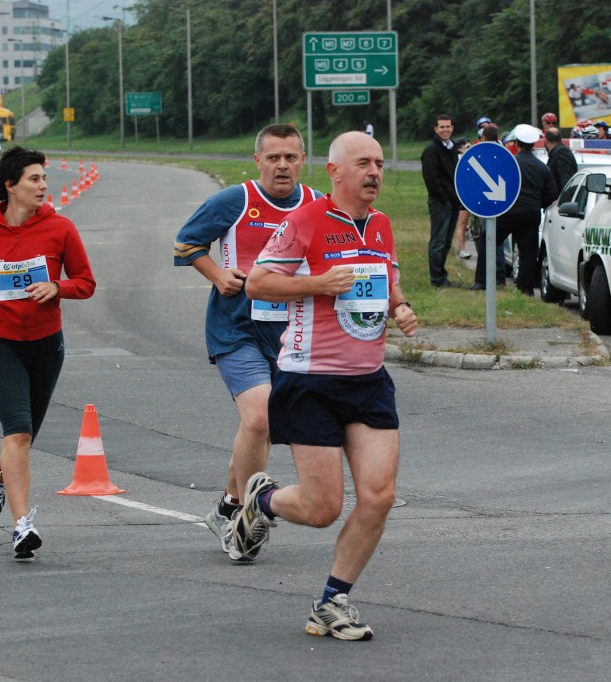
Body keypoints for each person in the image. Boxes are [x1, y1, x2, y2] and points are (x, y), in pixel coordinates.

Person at [240, 131, 418, 641]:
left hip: (368, 381)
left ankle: (332, 601)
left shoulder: (381, 225)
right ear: (335, 171)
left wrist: (399, 306)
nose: (375, 173)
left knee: (379, 496)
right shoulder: (305, 221)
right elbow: (258, 282)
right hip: (310, 378)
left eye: (380, 163)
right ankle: (263, 500)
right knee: (322, 509)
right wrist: (317, 284)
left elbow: (386, 278)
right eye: (364, 163)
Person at [0, 147, 96, 561]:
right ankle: (22, 526)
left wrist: (58, 287)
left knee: (24, 441)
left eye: (44, 178)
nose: (44, 185)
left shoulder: (60, 229)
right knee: (19, 433)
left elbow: (86, 281)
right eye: (34, 179)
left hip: (47, 344)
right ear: (10, 186)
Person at [173, 124, 320, 562]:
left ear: (302, 160)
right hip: (235, 327)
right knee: (258, 418)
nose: (282, 165)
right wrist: (218, 275)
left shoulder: (316, 205)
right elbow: (185, 243)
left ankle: (228, 505)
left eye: (290, 157)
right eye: (273, 157)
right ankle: (248, 515)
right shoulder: (236, 201)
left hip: (292, 331)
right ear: (257, 161)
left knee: (269, 426)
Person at [474, 124, 558, 296]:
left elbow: (497, 187)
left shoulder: (510, 163)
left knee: (487, 240)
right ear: (533, 144)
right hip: (531, 214)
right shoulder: (543, 167)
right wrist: (536, 204)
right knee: (528, 251)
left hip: (508, 213)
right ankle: (525, 287)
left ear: (516, 144)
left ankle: (482, 280)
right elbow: (550, 197)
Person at [420, 113, 461, 287]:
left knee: (447, 240)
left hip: (453, 201)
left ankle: (442, 276)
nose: (445, 130)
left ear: (452, 128)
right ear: (436, 129)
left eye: (448, 126)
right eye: (442, 127)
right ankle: (436, 278)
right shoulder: (431, 150)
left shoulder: (452, 148)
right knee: (438, 240)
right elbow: (431, 177)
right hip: (440, 202)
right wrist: (443, 197)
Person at [453, 137, 473, 259]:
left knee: (466, 224)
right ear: (460, 149)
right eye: (468, 147)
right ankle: (462, 249)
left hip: (472, 195)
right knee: (462, 223)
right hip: (463, 197)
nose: (471, 149)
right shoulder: (459, 161)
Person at [544, 127, 577, 193]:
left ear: (546, 141)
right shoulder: (557, 152)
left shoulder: (561, 153)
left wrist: (563, 199)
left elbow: (566, 178)